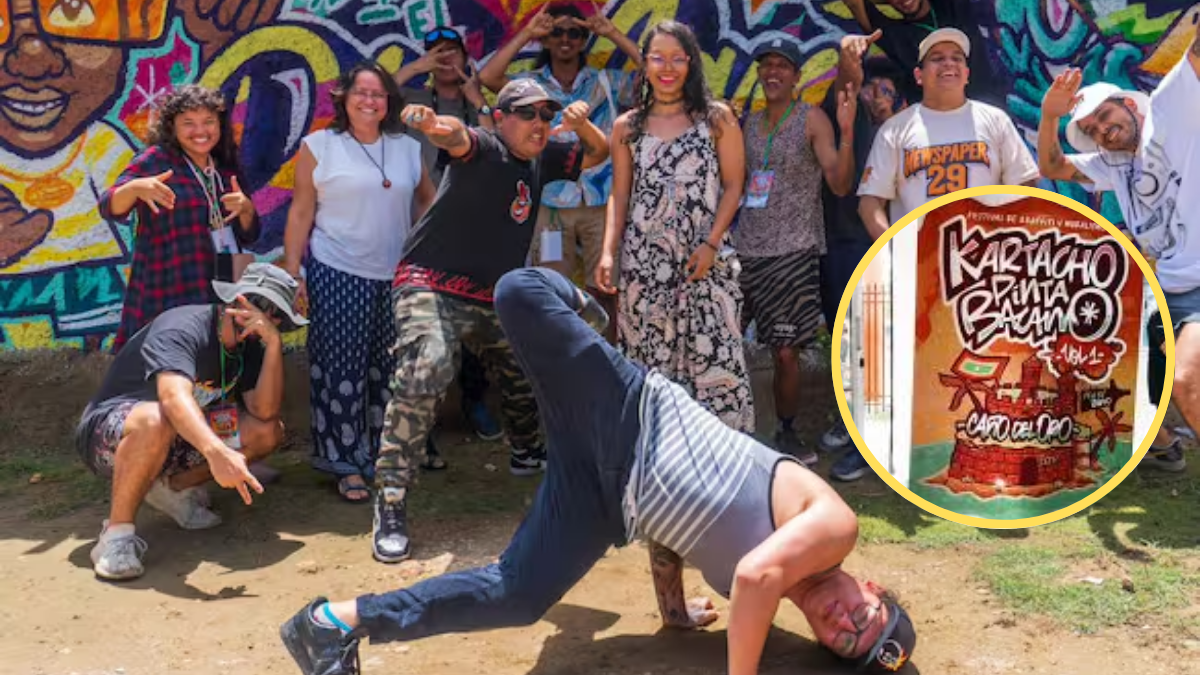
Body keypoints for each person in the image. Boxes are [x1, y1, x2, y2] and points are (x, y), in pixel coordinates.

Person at [279, 267, 918, 675]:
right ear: (875, 590)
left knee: (518, 594)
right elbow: (752, 573)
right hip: (630, 414)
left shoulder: (773, 594)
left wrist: (671, 611)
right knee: (518, 292)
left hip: (607, 497)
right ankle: (585, 308)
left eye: (842, 644)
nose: (840, 625)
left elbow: (688, 528)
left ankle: (331, 623)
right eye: (860, 620)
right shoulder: (835, 530)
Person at [368, 79, 609, 563]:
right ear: (501, 119)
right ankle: (391, 498)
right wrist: (433, 124)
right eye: (527, 114)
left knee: (533, 360)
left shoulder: (544, 155)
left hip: (494, 293)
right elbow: (453, 135)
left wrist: (582, 126)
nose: (539, 124)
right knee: (429, 365)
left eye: (546, 115)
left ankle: (527, 449)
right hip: (429, 283)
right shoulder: (486, 147)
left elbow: (598, 152)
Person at [1036, 20, 1200, 472]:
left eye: (1105, 118)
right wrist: (1051, 116)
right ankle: (1162, 446)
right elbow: (1052, 164)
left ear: (1129, 103)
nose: (1102, 132)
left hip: (1195, 286)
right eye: (1091, 129)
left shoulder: (1170, 115)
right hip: (1165, 291)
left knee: (1185, 377)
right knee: (1090, 357)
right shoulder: (1114, 163)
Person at [76, 263, 307, 581]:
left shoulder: (250, 346)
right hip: (112, 434)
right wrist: (216, 452)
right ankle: (116, 538)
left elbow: (264, 412)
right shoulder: (182, 327)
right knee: (156, 419)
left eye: (279, 319)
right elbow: (172, 398)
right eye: (272, 312)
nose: (275, 322)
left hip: (173, 435)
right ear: (240, 302)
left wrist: (273, 347)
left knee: (266, 432)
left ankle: (172, 490)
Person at [282, 62, 437, 503]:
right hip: (337, 271)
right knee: (341, 371)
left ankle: (383, 457)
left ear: (389, 101)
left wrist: (424, 249)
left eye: (379, 94)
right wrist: (294, 271)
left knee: (389, 371)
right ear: (344, 98)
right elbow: (300, 212)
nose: (370, 101)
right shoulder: (320, 146)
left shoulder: (407, 147)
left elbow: (427, 199)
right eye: (361, 92)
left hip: (395, 275)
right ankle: (346, 463)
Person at [596, 20, 754, 433]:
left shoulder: (716, 118)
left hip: (705, 262)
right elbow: (620, 195)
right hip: (644, 268)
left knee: (716, 356)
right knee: (650, 366)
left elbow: (735, 185)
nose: (668, 68)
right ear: (645, 64)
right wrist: (609, 251)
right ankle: (659, 460)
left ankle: (722, 462)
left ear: (691, 64)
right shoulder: (626, 127)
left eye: (677, 59)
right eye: (658, 58)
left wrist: (711, 243)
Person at [480, 2, 643, 345]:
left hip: (600, 200)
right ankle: (563, 371)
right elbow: (488, 78)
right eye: (557, 32)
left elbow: (652, 74)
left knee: (606, 291)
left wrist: (611, 32)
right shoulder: (531, 86)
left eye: (575, 32)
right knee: (553, 293)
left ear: (585, 39)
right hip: (551, 202)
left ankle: (609, 367)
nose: (565, 39)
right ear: (546, 39)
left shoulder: (606, 81)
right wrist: (527, 33)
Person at [733, 38, 858, 464]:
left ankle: (786, 434)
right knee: (722, 343)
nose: (772, 72)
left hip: (793, 252)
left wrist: (845, 132)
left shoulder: (811, 119)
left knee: (785, 352)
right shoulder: (747, 123)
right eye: (766, 65)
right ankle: (730, 432)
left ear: (796, 76)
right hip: (742, 250)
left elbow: (839, 184)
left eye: (782, 66)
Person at [393, 26, 505, 445]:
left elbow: (502, 141)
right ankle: (425, 413)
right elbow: (369, 97)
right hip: (424, 223)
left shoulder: (480, 105)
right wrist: (415, 69)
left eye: (452, 52)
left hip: (474, 222)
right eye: (436, 53)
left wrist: (476, 96)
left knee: (472, 312)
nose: (445, 60)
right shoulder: (412, 101)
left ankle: (475, 401)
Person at [100, 84, 260, 353]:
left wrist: (246, 209)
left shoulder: (225, 166)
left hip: (223, 281)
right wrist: (135, 188)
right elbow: (108, 205)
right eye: (189, 123)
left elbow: (249, 234)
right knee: (170, 367)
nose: (200, 131)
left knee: (221, 367)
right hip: (169, 284)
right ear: (172, 127)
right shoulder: (157, 160)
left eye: (209, 121)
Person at [857, 28, 1040, 238]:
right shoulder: (895, 129)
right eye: (937, 58)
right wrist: (893, 250)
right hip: (921, 261)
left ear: (967, 74)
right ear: (919, 76)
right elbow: (869, 203)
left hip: (986, 258)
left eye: (957, 58)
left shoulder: (995, 119)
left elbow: (1026, 183)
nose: (949, 63)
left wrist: (1008, 237)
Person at [820, 46, 907, 482]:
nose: (875, 96)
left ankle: (871, 444)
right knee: (848, 347)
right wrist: (848, 57)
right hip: (841, 246)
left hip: (890, 251)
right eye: (869, 86)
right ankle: (855, 429)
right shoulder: (842, 115)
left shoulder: (905, 132)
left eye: (885, 90)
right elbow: (847, 80)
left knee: (876, 348)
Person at [841, 0, 1004, 108]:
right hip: (939, 135)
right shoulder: (898, 37)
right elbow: (856, 6)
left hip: (990, 112)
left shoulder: (954, 6)